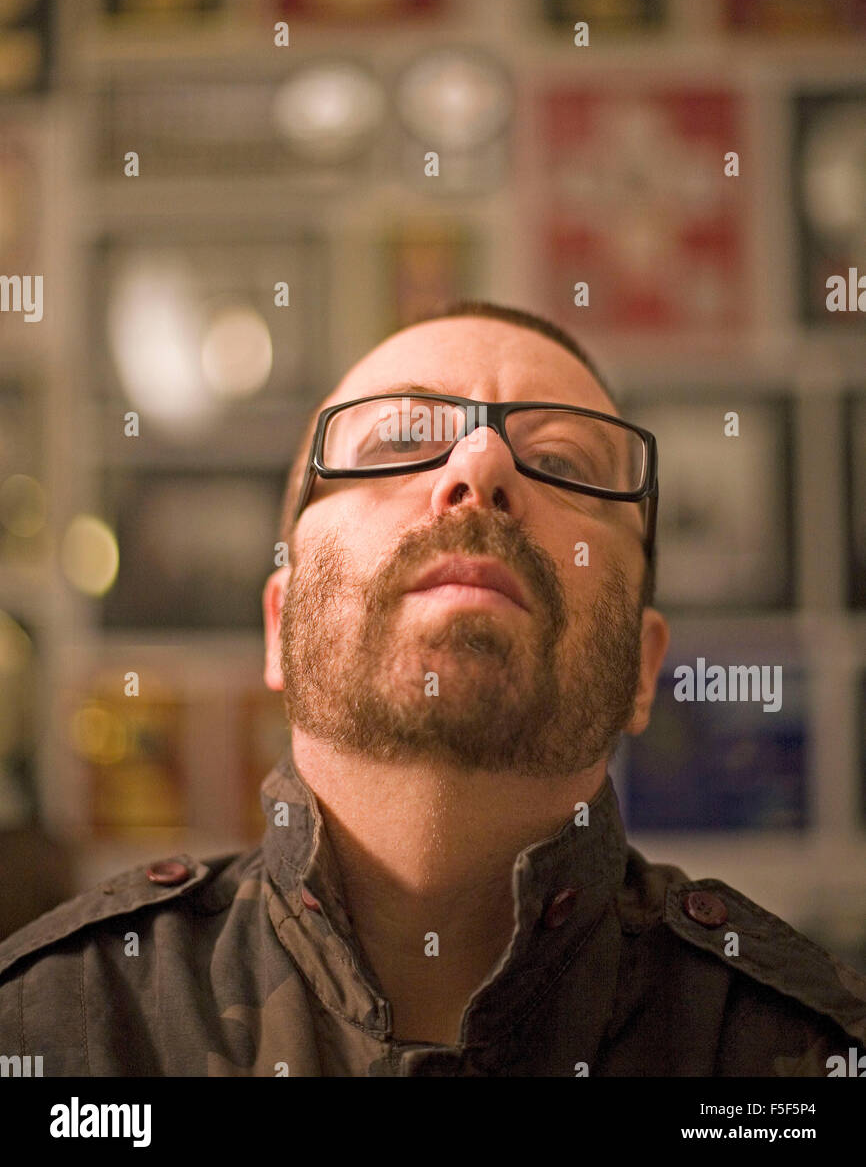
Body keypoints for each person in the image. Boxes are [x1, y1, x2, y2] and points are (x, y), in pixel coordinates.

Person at [1, 299, 864, 1077]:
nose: (479, 466)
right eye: (398, 441)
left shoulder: (801, 1060)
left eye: (561, 460)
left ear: (642, 668)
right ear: (281, 624)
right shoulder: (54, 1029)